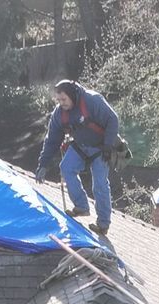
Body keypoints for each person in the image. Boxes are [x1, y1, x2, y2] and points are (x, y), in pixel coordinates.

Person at [35, 79, 120, 234]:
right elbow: (52, 140)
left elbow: (112, 120)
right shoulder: (59, 114)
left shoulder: (92, 100)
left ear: (72, 95)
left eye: (64, 99)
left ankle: (103, 224)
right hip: (81, 145)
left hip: (101, 148)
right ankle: (81, 207)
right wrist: (43, 165)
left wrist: (108, 146)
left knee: (99, 184)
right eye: (59, 100)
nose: (61, 103)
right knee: (66, 168)